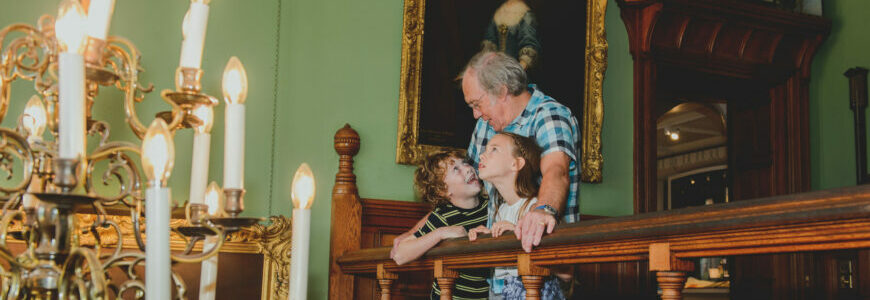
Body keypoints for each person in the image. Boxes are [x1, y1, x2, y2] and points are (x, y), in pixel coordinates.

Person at [392, 50, 579, 252]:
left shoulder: (549, 115)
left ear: (501, 91)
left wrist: (543, 211)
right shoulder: (486, 125)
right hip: (499, 259)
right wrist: (414, 234)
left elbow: (556, 172)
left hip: (549, 256)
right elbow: (465, 186)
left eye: (476, 104)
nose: (475, 114)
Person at [468, 132, 565, 299]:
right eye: (485, 149)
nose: (482, 155)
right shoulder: (502, 210)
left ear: (516, 163)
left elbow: (565, 270)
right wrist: (489, 240)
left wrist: (517, 234)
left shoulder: (535, 210)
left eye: (494, 149)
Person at [391, 150, 490, 299]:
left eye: (465, 163)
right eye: (456, 169)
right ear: (443, 190)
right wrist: (441, 233)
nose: (468, 168)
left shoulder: (490, 205)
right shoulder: (443, 216)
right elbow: (400, 255)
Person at [482, 0, 541, 71]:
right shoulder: (498, 13)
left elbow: (530, 46)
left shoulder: (526, 14)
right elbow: (490, 40)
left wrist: (518, 71)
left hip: (517, 72)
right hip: (497, 71)